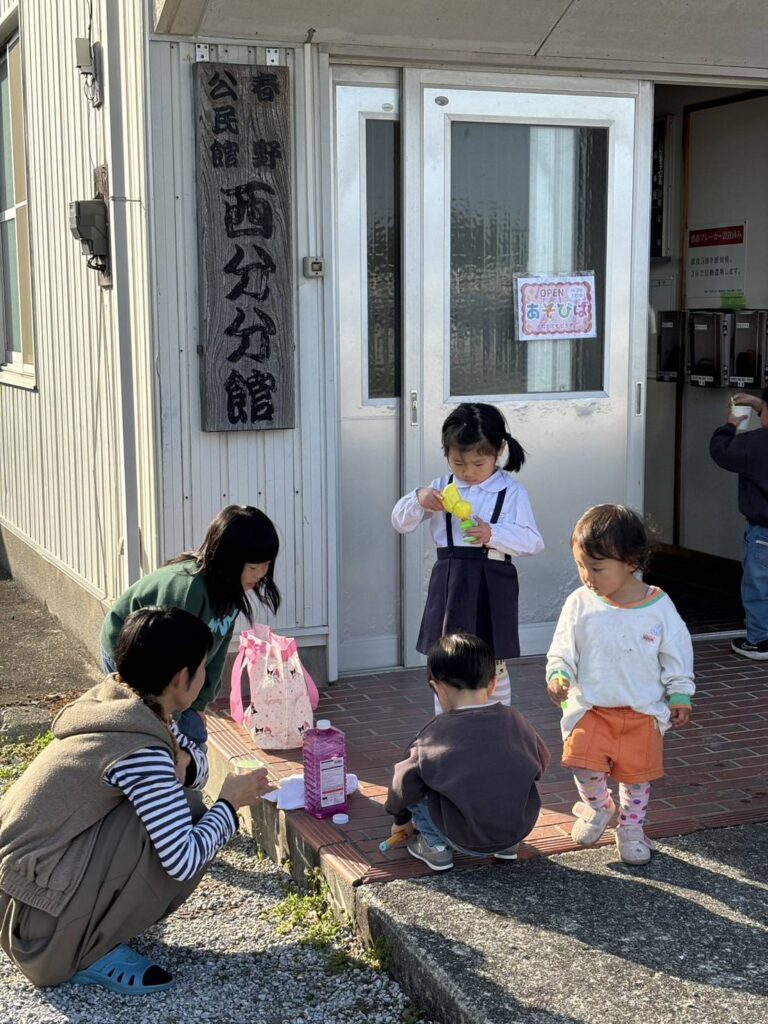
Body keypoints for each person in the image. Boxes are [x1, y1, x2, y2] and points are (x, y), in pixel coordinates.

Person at [0, 606, 274, 994]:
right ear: (182, 678)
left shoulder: (122, 699)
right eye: (203, 667)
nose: (206, 676)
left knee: (181, 804)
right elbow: (183, 860)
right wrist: (229, 804)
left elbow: (190, 762)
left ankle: (86, 928)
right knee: (192, 817)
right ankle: (84, 951)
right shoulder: (139, 747)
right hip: (34, 927)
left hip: (19, 894)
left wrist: (182, 764)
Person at [546, 505, 695, 866]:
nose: (587, 576)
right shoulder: (580, 602)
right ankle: (599, 808)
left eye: (597, 568)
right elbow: (562, 647)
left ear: (631, 561)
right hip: (590, 707)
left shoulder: (658, 606)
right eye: (581, 566)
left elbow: (676, 652)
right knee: (582, 764)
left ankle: (631, 828)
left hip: (642, 711)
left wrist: (679, 691)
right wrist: (558, 673)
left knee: (636, 778)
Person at [391, 403, 543, 712]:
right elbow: (400, 522)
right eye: (459, 462)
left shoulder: (511, 492)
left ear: (499, 450)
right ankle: (446, 726)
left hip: (493, 581)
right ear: (446, 452)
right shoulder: (440, 487)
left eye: (478, 462)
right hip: (450, 580)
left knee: (491, 659)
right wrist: (419, 499)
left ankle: (497, 723)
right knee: (449, 658)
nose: (468, 472)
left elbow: (533, 541)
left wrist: (492, 534)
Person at [101, 505, 280, 744]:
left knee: (191, 733)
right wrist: (169, 721)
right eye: (253, 567)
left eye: (266, 565)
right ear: (228, 561)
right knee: (149, 730)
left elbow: (216, 653)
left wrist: (199, 705)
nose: (261, 574)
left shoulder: (232, 590)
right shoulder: (189, 591)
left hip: (173, 666)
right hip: (132, 650)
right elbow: (165, 665)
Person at [385, 632, 550, 872]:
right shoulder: (516, 720)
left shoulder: (433, 734)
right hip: (516, 827)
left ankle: (436, 847)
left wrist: (400, 820)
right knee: (510, 778)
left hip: (459, 835)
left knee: (417, 784)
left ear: (437, 688)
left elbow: (401, 787)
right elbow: (541, 762)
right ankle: (507, 847)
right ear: (493, 683)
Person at [710, 390, 768, 659]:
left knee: (758, 587)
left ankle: (759, 641)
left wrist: (730, 424)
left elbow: (721, 451)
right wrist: (759, 405)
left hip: (763, 533)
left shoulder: (755, 443)